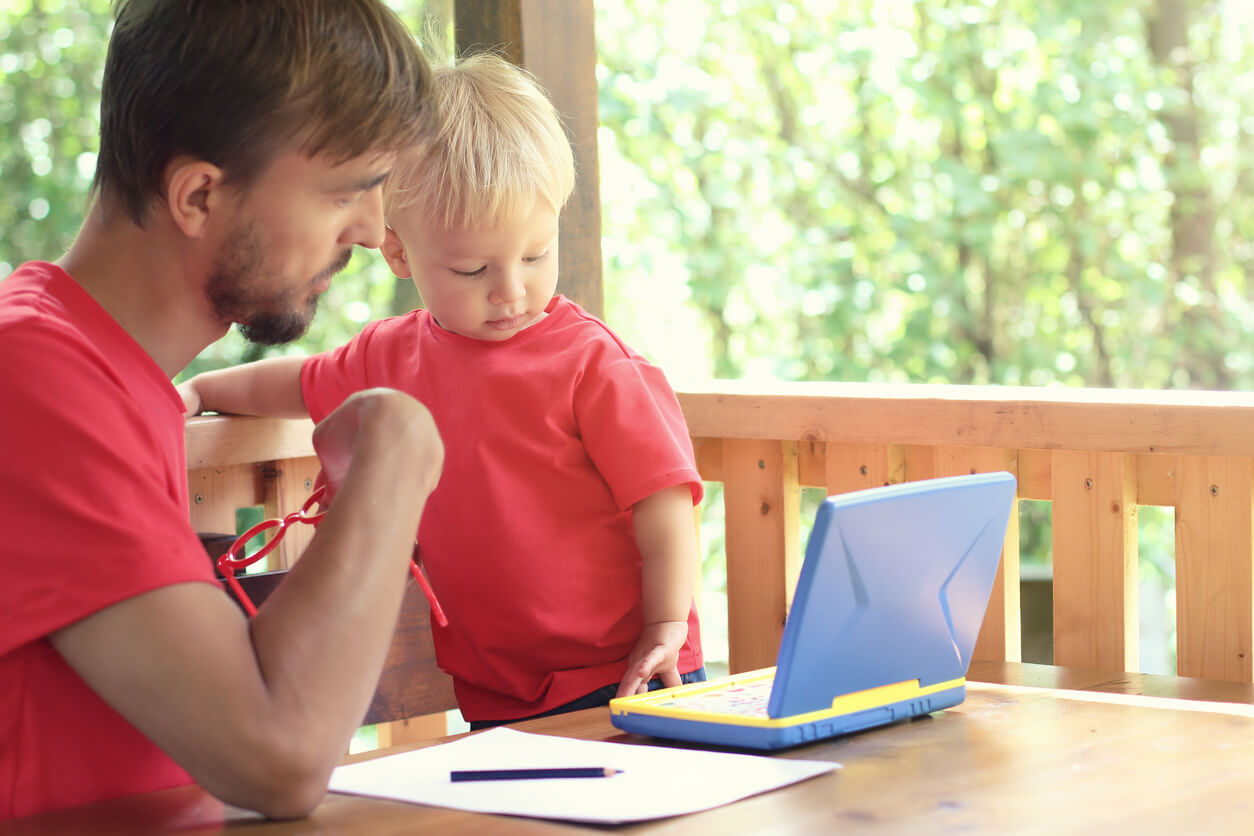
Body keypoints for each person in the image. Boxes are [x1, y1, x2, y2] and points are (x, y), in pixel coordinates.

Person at [0, 0, 444, 821]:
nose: (374, 229)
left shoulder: (97, 374)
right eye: (348, 191)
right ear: (199, 195)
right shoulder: (31, 379)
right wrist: (396, 446)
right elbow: (279, 758)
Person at [177, 49, 708, 728]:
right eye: (471, 269)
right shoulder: (391, 356)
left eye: (536, 254)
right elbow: (301, 382)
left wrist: (667, 621)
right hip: (498, 692)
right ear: (400, 253)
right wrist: (202, 390)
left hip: (633, 670)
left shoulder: (593, 366)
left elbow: (663, 500)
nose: (510, 289)